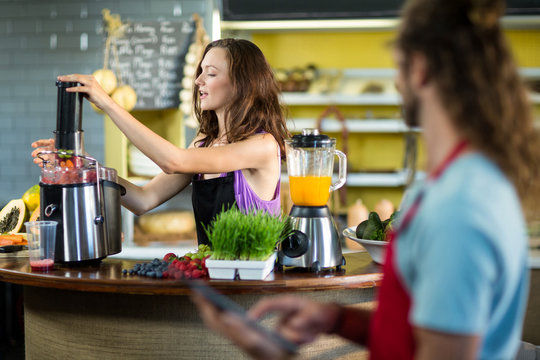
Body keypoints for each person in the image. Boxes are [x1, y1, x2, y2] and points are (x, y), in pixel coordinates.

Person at [193, 0, 540, 359]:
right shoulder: (460, 183)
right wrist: (337, 319)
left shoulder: (459, 207)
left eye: (398, 66)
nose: (396, 81)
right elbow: (415, 337)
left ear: (420, 70)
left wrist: (275, 354)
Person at [32, 38, 290, 245]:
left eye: (210, 74)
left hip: (253, 287)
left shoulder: (263, 145)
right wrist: (83, 164)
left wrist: (108, 103)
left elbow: (172, 161)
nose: (198, 81)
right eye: (199, 72)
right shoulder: (204, 143)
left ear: (242, 84)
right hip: (212, 281)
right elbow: (143, 200)